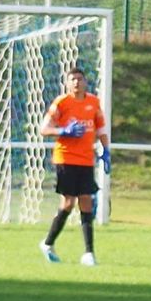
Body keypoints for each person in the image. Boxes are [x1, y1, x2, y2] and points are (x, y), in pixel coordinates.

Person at [38, 65, 109, 266]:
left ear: (86, 82)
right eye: (73, 79)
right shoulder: (62, 103)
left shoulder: (93, 103)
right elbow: (44, 129)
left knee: (86, 202)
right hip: (66, 159)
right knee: (69, 203)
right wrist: (63, 131)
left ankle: (89, 253)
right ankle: (48, 243)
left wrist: (106, 150)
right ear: (67, 83)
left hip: (86, 160)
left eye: (80, 79)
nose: (77, 82)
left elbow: (101, 129)